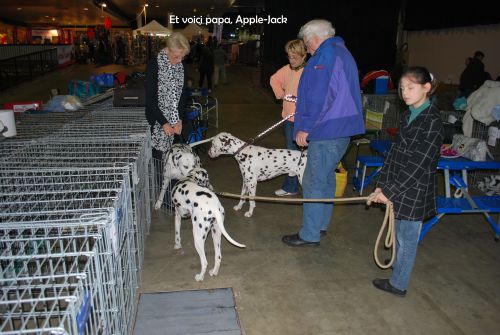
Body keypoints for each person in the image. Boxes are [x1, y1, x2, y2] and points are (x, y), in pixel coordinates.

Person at [282, 19, 365, 247]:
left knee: (312, 180)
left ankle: (309, 234)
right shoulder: (341, 52)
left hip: (328, 129)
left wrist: (305, 127)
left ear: (314, 38)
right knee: (326, 177)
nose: (306, 48)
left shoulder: (324, 56)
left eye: (307, 43)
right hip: (340, 128)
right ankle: (320, 225)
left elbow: (319, 97)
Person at [372, 66, 443, 297]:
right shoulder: (408, 114)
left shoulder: (432, 121)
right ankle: (398, 267)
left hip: (414, 189)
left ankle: (398, 284)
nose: (405, 92)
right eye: (402, 88)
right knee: (401, 233)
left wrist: (390, 190)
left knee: (407, 238)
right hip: (399, 184)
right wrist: (382, 183)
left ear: (426, 88)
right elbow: (395, 153)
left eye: (410, 88)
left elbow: (419, 164)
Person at [270, 39, 307, 196]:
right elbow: (274, 79)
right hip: (289, 120)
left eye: (295, 57)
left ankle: (309, 189)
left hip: (304, 121)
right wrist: (282, 94)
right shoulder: (287, 69)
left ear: (303, 55)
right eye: (289, 56)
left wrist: (300, 100)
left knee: (307, 156)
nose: (291, 60)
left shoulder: (308, 71)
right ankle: (291, 187)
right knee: (290, 155)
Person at [145, 32, 190, 160]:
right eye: (177, 57)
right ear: (168, 50)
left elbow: (183, 95)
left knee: (172, 159)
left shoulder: (182, 66)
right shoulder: (154, 65)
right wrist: (164, 123)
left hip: (175, 120)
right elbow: (150, 99)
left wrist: (179, 119)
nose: (180, 60)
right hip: (157, 120)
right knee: (158, 159)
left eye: (182, 57)